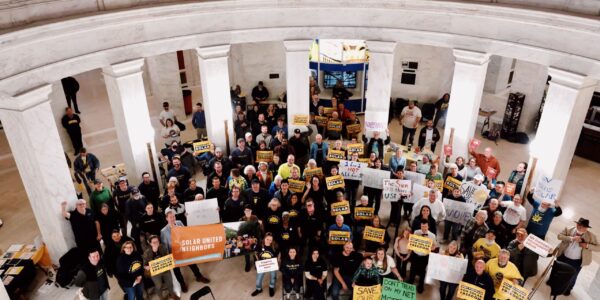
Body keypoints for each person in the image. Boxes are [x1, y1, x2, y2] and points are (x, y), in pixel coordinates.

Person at [160, 211, 209, 293]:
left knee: (192, 263)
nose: (172, 219)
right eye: (170, 217)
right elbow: (165, 246)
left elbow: (186, 233)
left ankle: (199, 276)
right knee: (176, 270)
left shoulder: (179, 222)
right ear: (166, 218)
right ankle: (182, 284)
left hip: (184, 249)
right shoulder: (163, 231)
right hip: (174, 253)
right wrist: (170, 256)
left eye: (174, 216)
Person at [553, 217, 599, 295]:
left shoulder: (591, 236)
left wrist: (587, 245)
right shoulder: (569, 229)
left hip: (577, 261)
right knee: (557, 270)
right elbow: (559, 236)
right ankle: (553, 283)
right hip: (563, 255)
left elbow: (598, 247)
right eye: (579, 225)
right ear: (577, 224)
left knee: (572, 276)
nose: (581, 227)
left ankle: (568, 289)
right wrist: (571, 238)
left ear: (587, 228)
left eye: (584, 226)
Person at [143, 235, 179, 300]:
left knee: (170, 283)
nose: (156, 243)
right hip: (155, 273)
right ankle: (161, 297)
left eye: (157, 241)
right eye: (154, 242)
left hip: (165, 269)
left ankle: (172, 294)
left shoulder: (163, 247)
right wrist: (146, 267)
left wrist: (172, 260)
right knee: (158, 286)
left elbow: (168, 257)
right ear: (150, 243)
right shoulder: (147, 252)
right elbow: (144, 264)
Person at [407, 219, 438, 293]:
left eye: (425, 227)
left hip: (424, 256)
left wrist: (431, 247)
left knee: (422, 271)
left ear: (428, 226)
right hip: (415, 254)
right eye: (422, 226)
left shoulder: (432, 235)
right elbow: (412, 242)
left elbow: (435, 246)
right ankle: (411, 280)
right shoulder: (416, 232)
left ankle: (421, 285)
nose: (423, 228)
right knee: (412, 268)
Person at [252, 233, 279, 297]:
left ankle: (271, 287)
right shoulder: (260, 245)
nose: (269, 241)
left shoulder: (274, 246)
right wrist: (258, 260)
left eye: (271, 240)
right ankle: (259, 289)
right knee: (258, 279)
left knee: (273, 277)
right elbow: (255, 252)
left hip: (272, 264)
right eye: (267, 239)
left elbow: (278, 254)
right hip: (262, 264)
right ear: (264, 238)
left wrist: (277, 262)